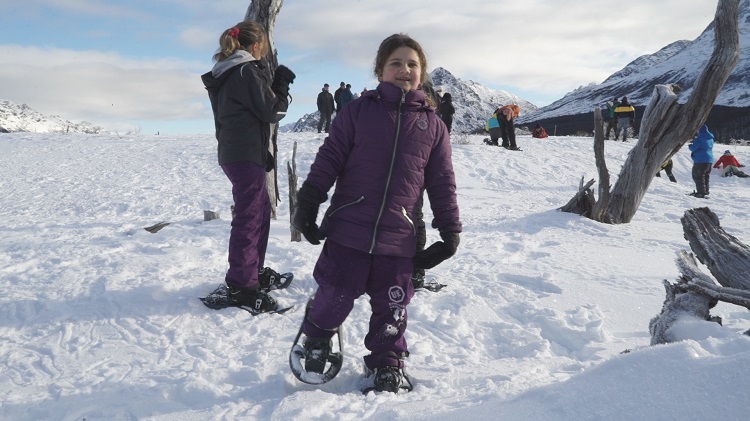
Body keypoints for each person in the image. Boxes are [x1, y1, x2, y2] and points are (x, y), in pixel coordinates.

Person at [291, 33, 462, 393]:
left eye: (412, 64)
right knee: (335, 293)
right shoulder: (358, 111)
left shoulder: (433, 125)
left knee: (393, 306)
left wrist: (450, 232)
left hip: (400, 237)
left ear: (422, 73)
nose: (404, 70)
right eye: (396, 63)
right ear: (380, 70)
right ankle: (318, 334)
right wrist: (309, 200)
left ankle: (388, 359)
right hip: (348, 230)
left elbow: (442, 181)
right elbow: (330, 157)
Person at [201, 21, 296, 313]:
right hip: (242, 154)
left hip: (239, 152)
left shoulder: (230, 70)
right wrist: (281, 83)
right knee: (250, 216)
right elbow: (272, 110)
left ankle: (251, 273)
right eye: (263, 48)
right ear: (255, 46)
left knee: (259, 212)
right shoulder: (244, 70)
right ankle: (242, 285)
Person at [688, 124, 715, 198]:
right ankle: (706, 191)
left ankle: (701, 193)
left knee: (698, 176)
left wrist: (690, 145)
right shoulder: (710, 138)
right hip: (709, 160)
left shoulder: (699, 138)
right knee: (706, 176)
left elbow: (693, 148)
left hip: (700, 160)